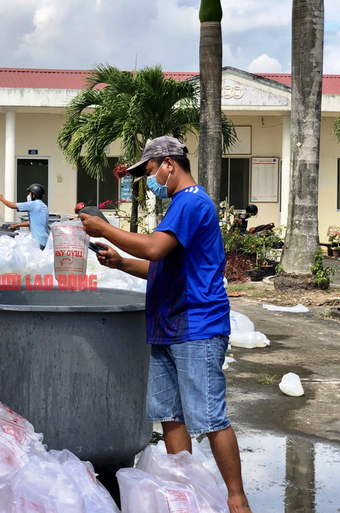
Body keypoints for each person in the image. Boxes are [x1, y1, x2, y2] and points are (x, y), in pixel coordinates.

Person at [80, 136, 253, 513]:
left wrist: (104, 229)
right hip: (169, 325)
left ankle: (237, 500)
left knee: (209, 417)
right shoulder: (180, 206)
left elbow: (155, 249)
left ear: (169, 164)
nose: (150, 181)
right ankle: (186, 493)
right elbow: (160, 268)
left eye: (151, 171)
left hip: (196, 326)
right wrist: (120, 262)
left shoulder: (191, 202)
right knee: (169, 416)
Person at [0, 183, 49, 249]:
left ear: (34, 195)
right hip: (45, 240)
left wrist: (1, 198)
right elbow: (33, 222)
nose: (28, 196)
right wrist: (17, 225)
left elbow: (12, 205)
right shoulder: (43, 206)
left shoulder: (33, 204)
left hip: (38, 241)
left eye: (30, 193)